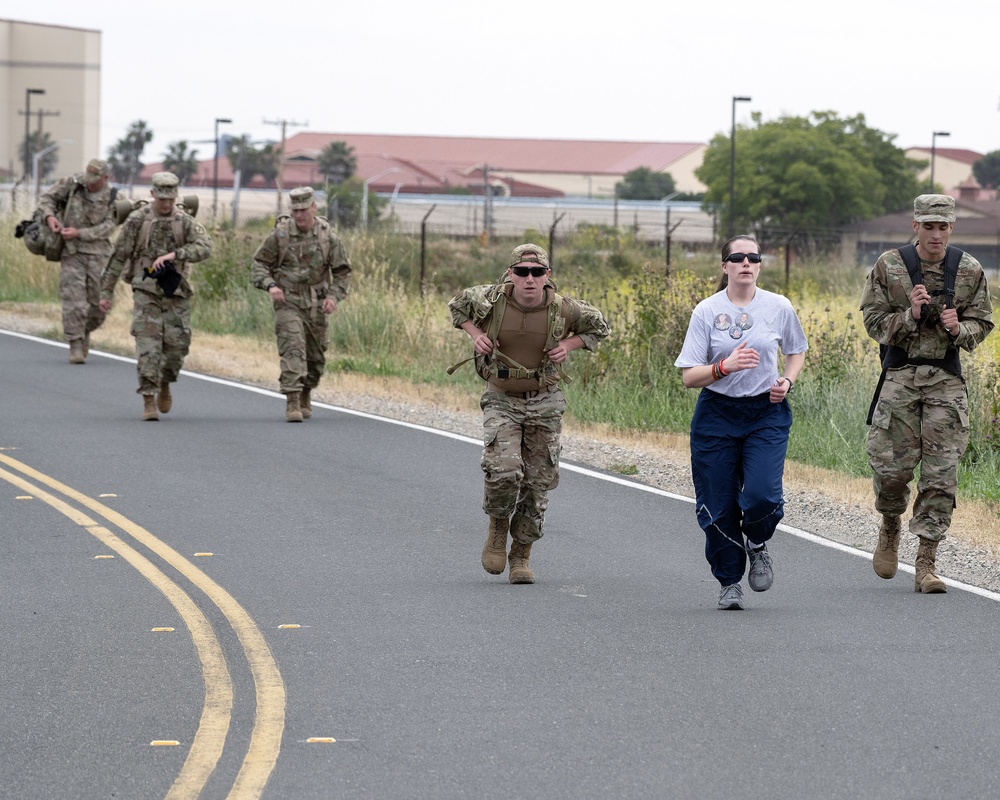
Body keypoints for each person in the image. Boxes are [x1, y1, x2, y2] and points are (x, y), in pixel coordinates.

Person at [448, 243, 610, 584]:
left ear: (547, 275)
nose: (530, 279)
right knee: (504, 470)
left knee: (538, 483)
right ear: (511, 274)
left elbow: (599, 327)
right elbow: (456, 306)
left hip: (545, 399)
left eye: (537, 272)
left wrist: (569, 345)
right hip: (502, 396)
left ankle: (521, 554)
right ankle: (497, 526)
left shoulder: (564, 309)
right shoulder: (488, 299)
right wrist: (475, 334)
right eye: (522, 272)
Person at [860, 194, 994, 593]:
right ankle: (889, 524)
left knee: (941, 475)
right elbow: (872, 320)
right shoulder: (890, 266)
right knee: (891, 471)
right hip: (900, 374)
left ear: (952, 227)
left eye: (943, 226)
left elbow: (983, 324)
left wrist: (959, 330)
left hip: (945, 380)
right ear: (915, 225)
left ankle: (926, 563)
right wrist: (909, 316)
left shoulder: (969, 270)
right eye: (928, 226)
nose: (935, 234)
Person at [674, 235, 807, 610]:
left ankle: (758, 541)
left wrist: (787, 381)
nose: (746, 262)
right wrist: (723, 367)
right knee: (717, 506)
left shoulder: (778, 306)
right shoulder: (706, 311)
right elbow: (688, 376)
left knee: (763, 495)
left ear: (759, 265)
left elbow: (796, 351)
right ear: (725, 266)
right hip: (717, 414)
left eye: (753, 257)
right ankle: (729, 581)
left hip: (765, 412)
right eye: (738, 257)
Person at [100, 172, 212, 421]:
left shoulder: (184, 221)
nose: (166, 204)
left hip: (176, 292)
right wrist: (106, 292)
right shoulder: (137, 220)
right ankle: (148, 399)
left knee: (177, 348)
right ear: (152, 194)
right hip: (146, 291)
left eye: (170, 199)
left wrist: (175, 255)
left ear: (176, 197)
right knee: (148, 346)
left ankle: (165, 382)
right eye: (161, 199)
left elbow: (205, 247)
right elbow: (118, 257)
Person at [250, 186, 352, 422]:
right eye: (295, 210)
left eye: (304, 210)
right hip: (288, 301)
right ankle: (292, 401)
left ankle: (306, 391)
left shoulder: (327, 236)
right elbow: (259, 264)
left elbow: (343, 271)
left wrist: (333, 297)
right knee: (293, 348)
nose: (299, 215)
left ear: (314, 208)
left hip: (317, 304)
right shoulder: (280, 235)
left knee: (315, 359)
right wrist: (270, 285)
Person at [36, 159, 117, 364]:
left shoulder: (115, 198)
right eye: (88, 178)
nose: (90, 183)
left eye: (95, 180)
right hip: (71, 252)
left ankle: (84, 332)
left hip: (99, 255)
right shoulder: (72, 184)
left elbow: (110, 226)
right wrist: (49, 217)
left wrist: (79, 233)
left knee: (98, 307)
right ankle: (76, 344)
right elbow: (47, 199)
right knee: (74, 302)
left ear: (106, 178)